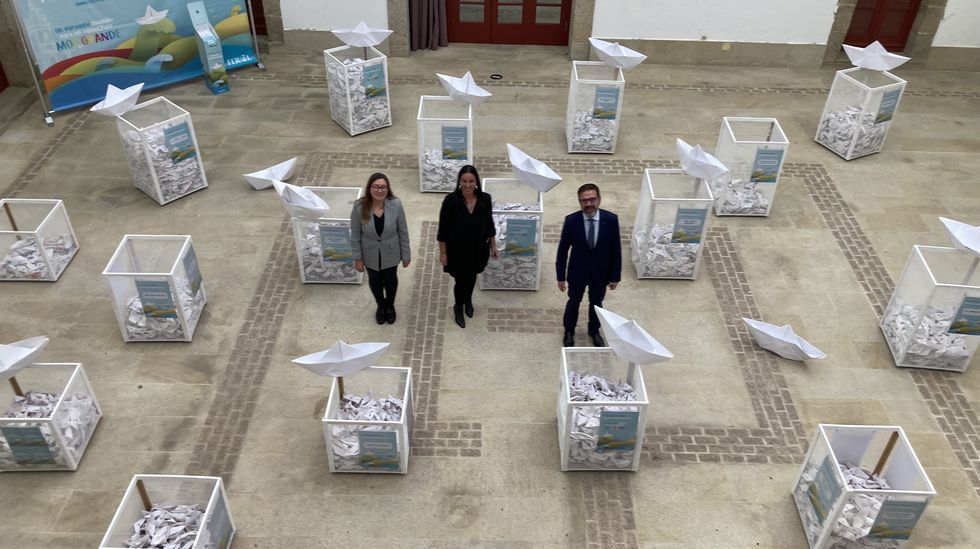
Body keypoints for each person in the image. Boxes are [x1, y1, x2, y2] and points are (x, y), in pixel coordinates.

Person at [556, 183, 622, 347]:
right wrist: (560, 277)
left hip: (600, 272)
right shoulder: (571, 221)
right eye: (584, 201)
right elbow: (563, 250)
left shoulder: (611, 220)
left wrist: (615, 275)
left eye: (592, 199)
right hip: (577, 271)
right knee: (573, 302)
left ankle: (594, 330)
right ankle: (569, 331)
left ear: (599, 199)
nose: (588, 204)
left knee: (597, 303)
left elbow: (616, 249)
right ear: (579, 202)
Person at [437, 165, 498, 329]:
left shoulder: (485, 199)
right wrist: (443, 253)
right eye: (464, 181)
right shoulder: (450, 201)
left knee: (471, 277)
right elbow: (443, 230)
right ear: (459, 181)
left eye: (471, 181)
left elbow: (490, 224)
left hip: (478, 248)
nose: (468, 185)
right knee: (460, 281)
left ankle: (468, 300)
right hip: (457, 250)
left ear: (476, 181)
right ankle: (458, 307)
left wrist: (493, 246)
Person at [351, 173, 411, 325]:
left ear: (387, 188)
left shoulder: (395, 204)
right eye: (376, 187)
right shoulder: (359, 206)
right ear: (369, 188)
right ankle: (381, 305)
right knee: (375, 281)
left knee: (391, 281)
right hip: (370, 253)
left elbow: (403, 231)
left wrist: (406, 254)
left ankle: (390, 306)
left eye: (383, 187)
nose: (379, 190)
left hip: (391, 252)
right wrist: (357, 259)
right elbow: (355, 235)